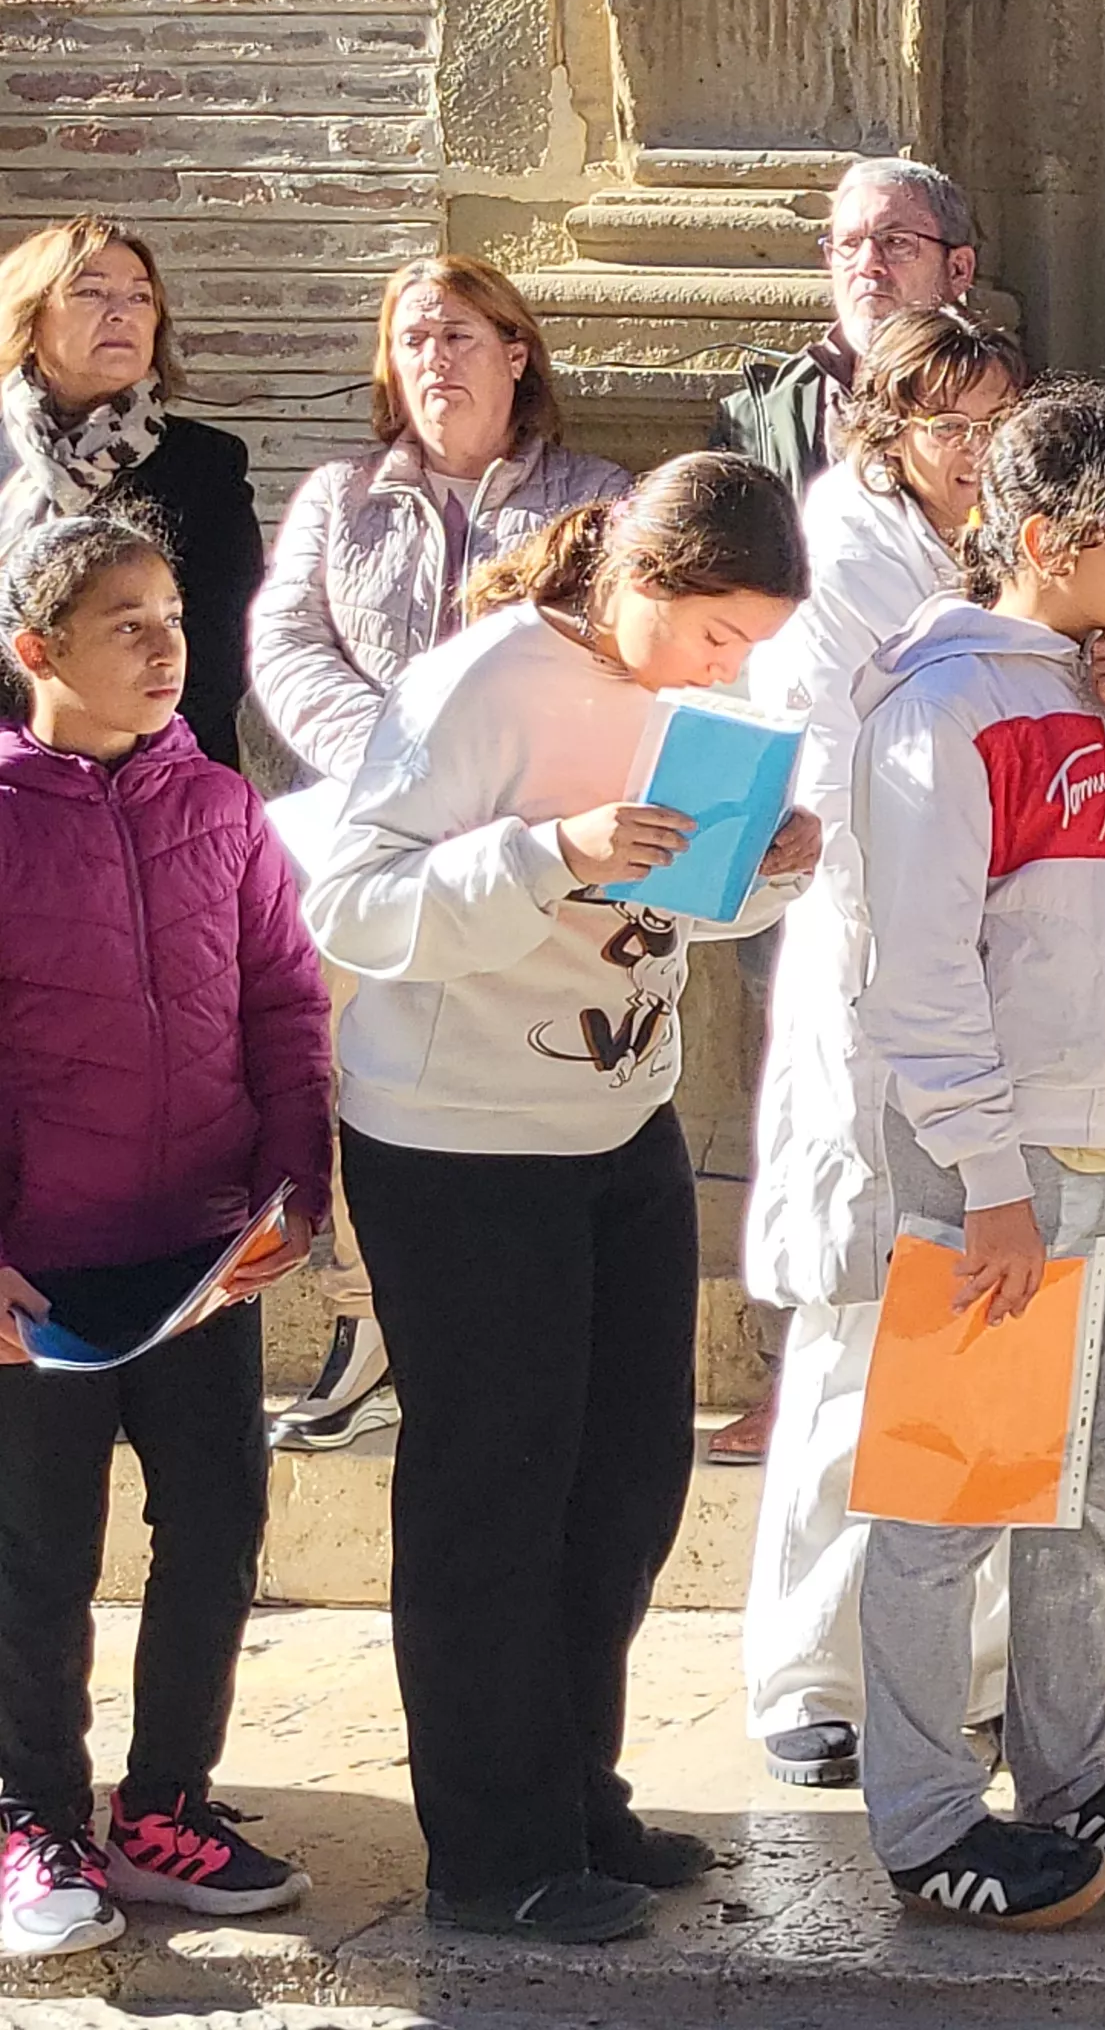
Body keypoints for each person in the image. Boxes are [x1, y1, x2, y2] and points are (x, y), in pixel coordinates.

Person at [304, 454, 821, 1946]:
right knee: (494, 1493)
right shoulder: (484, 681)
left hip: (618, 1123)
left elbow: (677, 900)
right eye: (721, 634)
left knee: (624, 1480)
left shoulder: (690, 690)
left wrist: (768, 872)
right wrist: (547, 854)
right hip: (462, 1144)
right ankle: (490, 1849)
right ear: (644, 585)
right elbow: (353, 903)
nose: (738, 668)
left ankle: (574, 1794)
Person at [850, 383, 1105, 1928]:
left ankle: (1067, 1775)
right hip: (996, 1164)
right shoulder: (942, 705)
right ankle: (923, 1818)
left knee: (1082, 1493)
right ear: (1039, 540)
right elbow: (925, 974)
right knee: (952, 1493)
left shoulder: (1103, 688)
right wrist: (993, 1183)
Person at [0, 512, 330, 1958]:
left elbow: (282, 1002)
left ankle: (164, 1805)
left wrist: (291, 1179)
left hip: (200, 1262)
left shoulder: (226, 809)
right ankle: (32, 1818)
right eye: (123, 622)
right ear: (36, 651)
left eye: (173, 619)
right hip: (37, 1273)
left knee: (218, 1528)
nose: (161, 646)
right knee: (34, 1554)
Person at [251, 252, 634, 1455]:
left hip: (529, 831)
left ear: (517, 351)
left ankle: (450, 1318)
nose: (433, 359)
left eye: (458, 335)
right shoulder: (340, 494)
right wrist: (414, 759)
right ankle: (364, 1318)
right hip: (365, 819)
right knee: (324, 1030)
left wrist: (489, 777)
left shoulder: (595, 494)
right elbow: (287, 645)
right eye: (412, 338)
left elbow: (614, 652)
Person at [734, 306, 1028, 1790]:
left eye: (995, 422)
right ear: (888, 425)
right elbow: (828, 766)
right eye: (948, 425)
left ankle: (957, 1662)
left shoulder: (1012, 539)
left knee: (980, 1322)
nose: (975, 453)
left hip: (1004, 981)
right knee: (858, 1331)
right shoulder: (833, 551)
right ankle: (809, 1669)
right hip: (877, 966)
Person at [0, 220, 258, 777]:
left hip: (160, 785)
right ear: (31, 314)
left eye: (140, 297)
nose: (121, 313)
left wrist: (100, 754)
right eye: (91, 292)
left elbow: (219, 655)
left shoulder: (205, 465)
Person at [711, 156, 982, 496]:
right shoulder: (756, 418)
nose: (867, 265)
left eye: (896, 242)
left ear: (958, 269)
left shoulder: (1007, 412)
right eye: (849, 244)